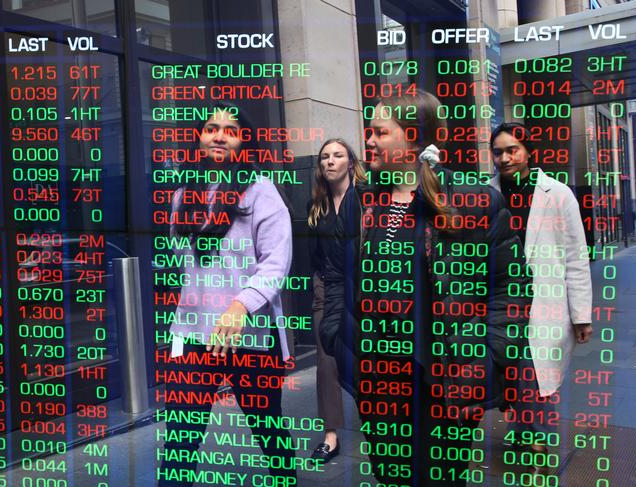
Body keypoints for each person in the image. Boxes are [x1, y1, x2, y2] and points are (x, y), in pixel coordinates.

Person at [320, 89, 532, 486]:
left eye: (380, 132)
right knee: (391, 477)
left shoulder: (472, 201)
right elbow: (335, 274)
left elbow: (510, 289)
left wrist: (491, 353)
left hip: (446, 377)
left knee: (443, 480)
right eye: (370, 131)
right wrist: (336, 333)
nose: (368, 140)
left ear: (413, 137)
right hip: (378, 379)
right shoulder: (360, 202)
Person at [156, 102, 297, 486]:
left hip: (249, 336)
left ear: (243, 141)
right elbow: (180, 260)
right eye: (211, 127)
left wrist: (239, 305)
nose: (219, 135)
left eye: (230, 129)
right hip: (192, 334)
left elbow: (275, 264)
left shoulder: (262, 192)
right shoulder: (183, 194)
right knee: (180, 440)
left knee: (268, 428)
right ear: (199, 138)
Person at [489, 122, 593, 471]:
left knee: (535, 372)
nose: (505, 158)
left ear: (528, 150)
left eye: (512, 149)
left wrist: (581, 314)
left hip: (545, 301)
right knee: (511, 368)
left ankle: (538, 436)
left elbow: (576, 256)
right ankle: (523, 428)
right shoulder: (487, 194)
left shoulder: (558, 193)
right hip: (503, 299)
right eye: (499, 151)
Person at [306, 138, 367, 462]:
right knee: (326, 361)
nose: (330, 161)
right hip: (326, 289)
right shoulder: (316, 206)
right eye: (324, 157)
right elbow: (314, 256)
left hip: (365, 288)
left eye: (337, 155)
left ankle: (377, 422)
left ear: (350, 162)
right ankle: (331, 435)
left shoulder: (368, 198)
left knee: (365, 359)